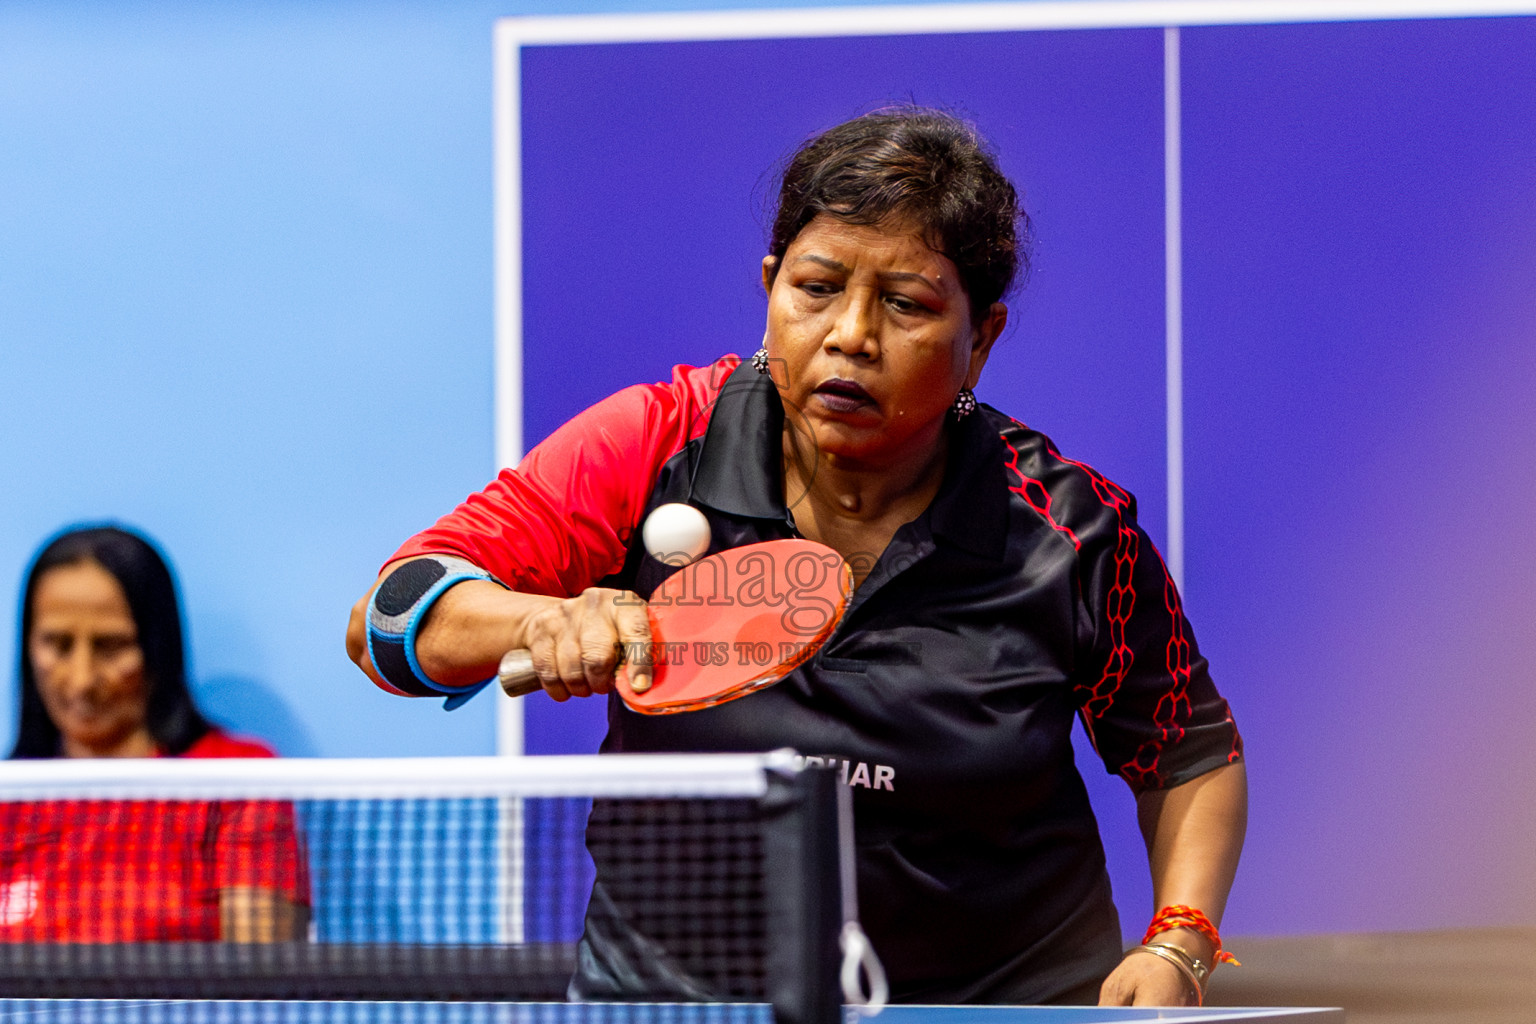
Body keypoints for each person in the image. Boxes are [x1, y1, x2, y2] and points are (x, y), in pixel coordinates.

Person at [347, 107, 1246, 1007]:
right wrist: (543, 618)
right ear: (772, 287)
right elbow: (389, 620)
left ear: (982, 340)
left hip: (994, 1001)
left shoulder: (1067, 530)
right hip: (680, 1003)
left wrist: (1179, 943)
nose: (851, 334)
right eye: (817, 288)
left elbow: (1187, 753)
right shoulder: (658, 443)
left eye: (906, 304)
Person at [3, 525, 310, 942]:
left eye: (112, 646)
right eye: (57, 644)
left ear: (157, 646)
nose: (81, 681)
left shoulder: (237, 780)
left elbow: (261, 981)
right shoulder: (11, 799)